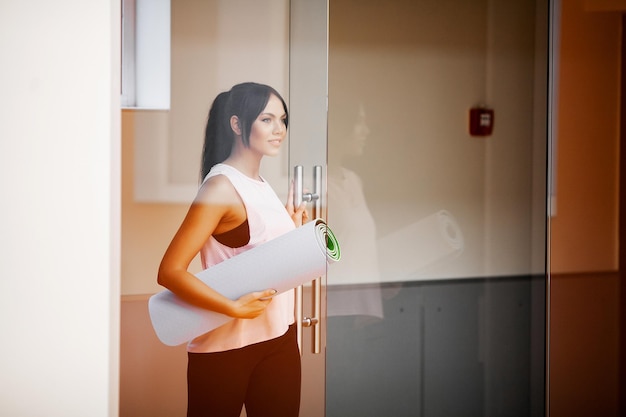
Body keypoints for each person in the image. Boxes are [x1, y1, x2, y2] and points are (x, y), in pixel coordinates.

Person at [157, 82, 307, 417]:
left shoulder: (260, 184)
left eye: (282, 119)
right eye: (267, 119)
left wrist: (291, 225)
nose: (279, 129)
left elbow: (258, 255)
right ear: (237, 124)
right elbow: (169, 271)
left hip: (279, 337)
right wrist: (232, 308)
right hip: (226, 348)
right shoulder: (220, 187)